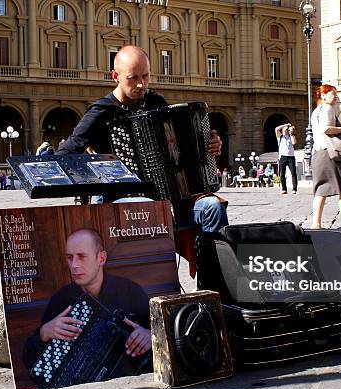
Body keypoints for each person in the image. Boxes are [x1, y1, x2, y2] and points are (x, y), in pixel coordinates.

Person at [56, 46, 228, 269]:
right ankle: (159, 288)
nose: (141, 84)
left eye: (145, 76)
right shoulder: (101, 112)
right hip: (121, 200)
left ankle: (213, 285)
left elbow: (182, 145)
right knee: (147, 207)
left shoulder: (156, 103)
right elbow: (65, 155)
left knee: (212, 206)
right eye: (133, 78)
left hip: (172, 200)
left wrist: (210, 145)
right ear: (115, 76)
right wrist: (100, 169)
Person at [23, 228, 151, 376]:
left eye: (82, 256)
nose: (74, 265)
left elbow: (163, 336)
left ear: (101, 259)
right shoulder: (61, 299)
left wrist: (149, 335)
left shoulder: (130, 291)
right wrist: (44, 332)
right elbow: (29, 360)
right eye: (70, 257)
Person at [309, 84, 341, 229]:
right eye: (333, 94)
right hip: (328, 153)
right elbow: (326, 128)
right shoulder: (327, 108)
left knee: (321, 190)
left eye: (336, 94)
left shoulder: (315, 111)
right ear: (323, 96)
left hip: (317, 153)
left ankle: (316, 223)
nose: (336, 96)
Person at [275, 123, 297, 194]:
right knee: (282, 174)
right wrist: (285, 125)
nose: (286, 130)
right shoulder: (280, 137)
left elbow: (294, 142)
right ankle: (284, 189)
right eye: (284, 129)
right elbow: (276, 129)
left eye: (287, 129)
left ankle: (294, 189)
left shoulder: (291, 136)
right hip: (283, 157)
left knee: (293, 173)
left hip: (291, 156)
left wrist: (292, 133)